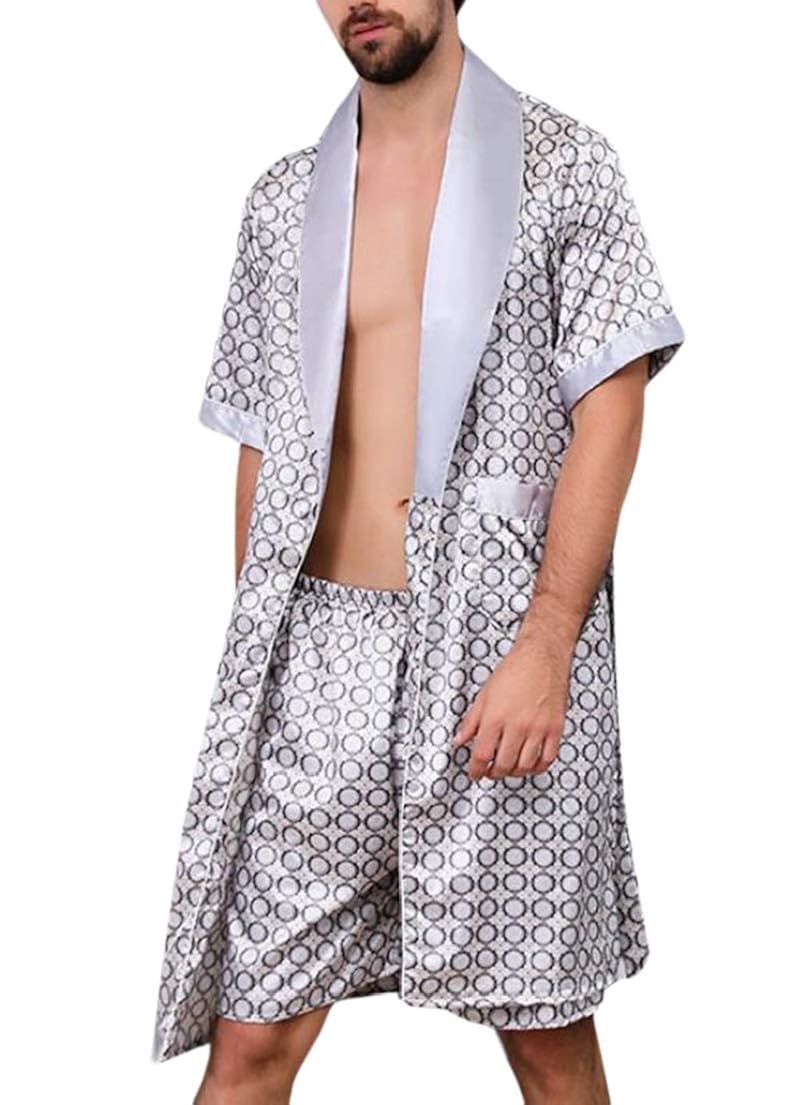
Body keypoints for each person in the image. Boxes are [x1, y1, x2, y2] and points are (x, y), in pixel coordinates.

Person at [151, 2, 686, 1102]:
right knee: (251, 1040)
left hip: (500, 649)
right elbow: (262, 437)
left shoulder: (566, 168)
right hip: (323, 656)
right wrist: (270, 659)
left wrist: (546, 646)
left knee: (544, 1031)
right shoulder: (280, 202)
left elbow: (612, 406)